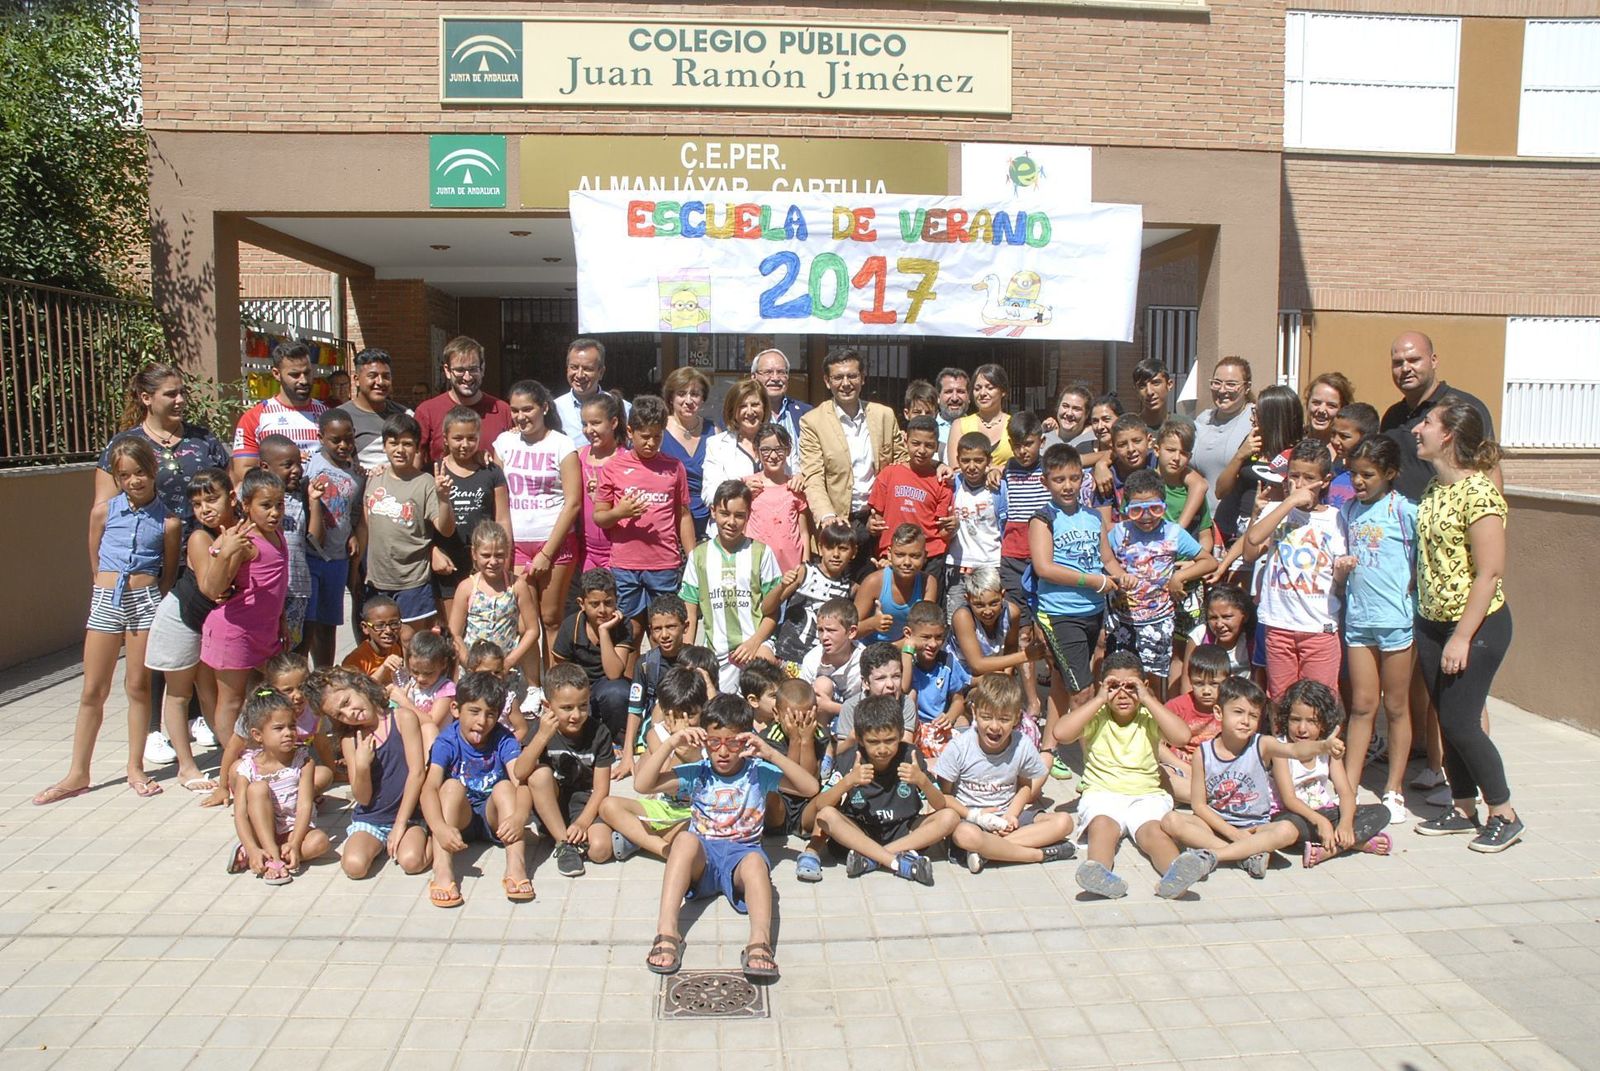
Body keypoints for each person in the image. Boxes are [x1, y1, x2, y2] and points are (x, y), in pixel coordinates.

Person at [33, 437, 181, 806]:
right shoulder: (103, 512)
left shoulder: (168, 520)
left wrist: (150, 595)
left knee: (138, 686)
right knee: (92, 689)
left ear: (153, 471)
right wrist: (104, 584)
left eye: (141, 473)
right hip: (106, 601)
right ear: (116, 477)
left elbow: (168, 570)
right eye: (125, 475)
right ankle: (78, 772)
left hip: (144, 602)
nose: (134, 481)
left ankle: (135, 767)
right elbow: (95, 557)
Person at [635, 694, 820, 980]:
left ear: (746, 741)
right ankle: (667, 930)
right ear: (705, 741)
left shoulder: (759, 772)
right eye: (714, 742)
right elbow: (642, 784)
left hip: (741, 855)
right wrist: (672, 742)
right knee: (683, 841)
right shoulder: (699, 772)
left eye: (732, 743)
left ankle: (760, 941)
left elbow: (809, 787)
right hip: (703, 857)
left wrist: (771, 753)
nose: (722, 752)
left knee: (757, 864)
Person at [1411, 395, 1521, 852]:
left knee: (1461, 722)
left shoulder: (1480, 494)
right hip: (1433, 622)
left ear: (1449, 435)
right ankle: (1462, 808)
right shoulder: (1437, 489)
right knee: (1445, 718)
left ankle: (1504, 812)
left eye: (1429, 422)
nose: (1418, 428)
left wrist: (1461, 636)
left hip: (1476, 628)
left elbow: (1489, 572)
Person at [1159, 676, 1345, 879]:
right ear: (1219, 713)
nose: (1245, 721)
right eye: (1238, 712)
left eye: (1253, 716)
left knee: (1287, 830)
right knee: (1171, 820)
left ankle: (1215, 855)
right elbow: (1199, 806)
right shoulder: (1203, 753)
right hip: (1215, 824)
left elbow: (1295, 750)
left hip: (1257, 827)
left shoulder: (1262, 745)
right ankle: (1246, 856)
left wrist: (1323, 746)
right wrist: (1233, 833)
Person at [1051, 652, 1201, 899]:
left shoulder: (1148, 715)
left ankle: (1176, 873)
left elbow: (1182, 737)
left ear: (1143, 687)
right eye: (1113, 686)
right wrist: (1099, 698)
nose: (1122, 694)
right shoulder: (1097, 716)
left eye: (1131, 686)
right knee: (1102, 826)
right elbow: (1061, 733)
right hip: (1102, 793)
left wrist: (1148, 699)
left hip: (1147, 794)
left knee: (1153, 832)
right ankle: (1098, 872)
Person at [1336, 435, 1417, 824]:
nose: (1358, 482)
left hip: (1396, 623)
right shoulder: (1349, 511)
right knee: (1362, 705)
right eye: (1354, 474)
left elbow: (1421, 560)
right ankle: (1348, 784)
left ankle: (1394, 789)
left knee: (1396, 706)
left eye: (1367, 474)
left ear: (1390, 474)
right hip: (1359, 621)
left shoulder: (1404, 511)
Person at [802, 694, 960, 885]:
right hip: (860, 833)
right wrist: (849, 781)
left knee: (950, 817)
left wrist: (922, 781)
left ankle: (872, 859)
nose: (882, 749)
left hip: (905, 831)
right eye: (873, 742)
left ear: (901, 734)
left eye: (890, 740)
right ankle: (895, 862)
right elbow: (820, 804)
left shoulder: (911, 756)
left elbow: (940, 804)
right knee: (827, 815)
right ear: (860, 739)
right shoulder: (851, 758)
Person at [142, 469, 234, 792]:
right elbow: (212, 588)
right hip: (180, 619)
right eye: (197, 504)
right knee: (180, 695)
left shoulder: (235, 530)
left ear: (231, 497)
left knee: (210, 693)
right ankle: (186, 766)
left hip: (206, 626)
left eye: (212, 499)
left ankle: (231, 756)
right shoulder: (199, 538)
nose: (205, 508)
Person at [199, 468, 290, 787]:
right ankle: (238, 763)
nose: (275, 512)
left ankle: (263, 754)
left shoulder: (277, 534)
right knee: (232, 701)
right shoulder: (241, 541)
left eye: (279, 504)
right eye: (266, 505)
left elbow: (274, 587)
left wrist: (281, 623)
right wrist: (226, 552)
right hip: (234, 633)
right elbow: (211, 588)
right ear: (246, 504)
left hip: (266, 633)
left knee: (273, 694)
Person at [937, 674, 1077, 874]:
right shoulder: (959, 747)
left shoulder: (1022, 744)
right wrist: (975, 816)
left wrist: (1012, 814)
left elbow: (1025, 786)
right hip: (971, 819)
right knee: (965, 835)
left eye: (1004, 719)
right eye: (987, 717)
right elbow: (944, 797)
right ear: (974, 713)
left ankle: (986, 851)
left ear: (1017, 718)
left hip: (1007, 816)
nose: (995, 726)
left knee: (1064, 822)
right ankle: (1038, 855)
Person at [1243, 439, 1349, 699]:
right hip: (1279, 624)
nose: (1299, 484)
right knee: (1280, 696)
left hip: (1318, 626)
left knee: (1319, 699)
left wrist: (1343, 570)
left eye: (1308, 478)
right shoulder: (1276, 511)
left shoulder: (1335, 518)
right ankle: (1282, 739)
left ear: (1325, 481)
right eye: (1294, 476)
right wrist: (1287, 504)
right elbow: (1252, 546)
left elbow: (1338, 577)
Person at [421, 670, 536, 907]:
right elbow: (429, 787)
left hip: (494, 819)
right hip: (459, 819)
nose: (482, 722)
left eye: (490, 714)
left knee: (505, 787)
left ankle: (516, 866)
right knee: (450, 786)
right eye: (474, 711)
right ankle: (442, 870)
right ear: (455, 709)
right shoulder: (447, 741)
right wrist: (439, 827)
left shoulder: (504, 739)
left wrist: (520, 816)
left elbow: (521, 781)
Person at [306, 667, 431, 879]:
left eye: (346, 702)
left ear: (361, 686)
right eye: (339, 715)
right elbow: (362, 798)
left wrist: (400, 824)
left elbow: (417, 773)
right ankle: (381, 843)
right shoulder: (351, 740)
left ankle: (433, 838)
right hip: (372, 818)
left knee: (412, 862)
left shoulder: (402, 718)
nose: (349, 714)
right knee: (354, 867)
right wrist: (362, 766)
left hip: (409, 815)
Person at [1029, 444, 1113, 758]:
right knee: (1084, 691)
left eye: (1075, 478)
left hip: (1094, 611)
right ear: (1045, 482)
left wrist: (1124, 577)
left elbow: (1107, 559)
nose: (1068, 485)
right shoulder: (1043, 519)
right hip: (1061, 614)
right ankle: (1094, 767)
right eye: (1060, 479)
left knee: (1066, 682)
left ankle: (1049, 749)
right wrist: (1093, 581)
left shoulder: (1092, 516)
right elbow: (1044, 568)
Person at [1102, 469, 1216, 695]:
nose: (1146, 517)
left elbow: (1209, 561)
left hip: (1158, 621)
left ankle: (1153, 726)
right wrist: (1118, 577)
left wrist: (1179, 576)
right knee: (1119, 681)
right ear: (1126, 510)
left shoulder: (1172, 533)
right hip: (1121, 621)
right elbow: (1104, 561)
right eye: (1136, 511)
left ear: (1164, 505)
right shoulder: (1118, 533)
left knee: (1152, 684)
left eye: (1155, 509)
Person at [494, 379, 582, 669]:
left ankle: (555, 687)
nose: (521, 417)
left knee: (551, 618)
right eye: (515, 411)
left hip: (555, 544)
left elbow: (573, 502)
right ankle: (533, 688)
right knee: (524, 623)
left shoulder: (562, 444)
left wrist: (546, 553)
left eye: (528, 409)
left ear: (544, 407)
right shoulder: (504, 443)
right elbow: (496, 494)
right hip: (517, 544)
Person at [799, 349, 908, 578]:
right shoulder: (812, 422)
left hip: (878, 521)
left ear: (863, 378)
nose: (846, 383)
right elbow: (813, 477)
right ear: (827, 382)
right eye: (838, 377)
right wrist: (827, 517)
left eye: (852, 376)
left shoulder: (884, 415)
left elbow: (902, 464)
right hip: (839, 524)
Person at [594, 395, 695, 637]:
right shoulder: (613, 467)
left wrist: (692, 558)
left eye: (657, 436)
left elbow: (683, 515)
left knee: (664, 630)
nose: (651, 443)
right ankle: (631, 675)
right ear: (630, 432)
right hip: (625, 565)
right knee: (628, 630)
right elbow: (600, 517)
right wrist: (620, 512)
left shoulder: (674, 467)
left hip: (664, 565)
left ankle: (663, 675)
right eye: (645, 436)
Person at [1270, 680, 1393, 867]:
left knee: (1382, 812)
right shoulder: (1280, 749)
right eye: (1295, 719)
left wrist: (1345, 823)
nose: (1302, 728)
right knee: (1287, 830)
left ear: (1324, 724)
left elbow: (1346, 793)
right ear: (1286, 718)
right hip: (1293, 815)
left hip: (1323, 812)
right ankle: (1355, 842)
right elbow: (1289, 799)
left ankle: (1329, 849)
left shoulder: (1328, 750)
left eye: (1312, 721)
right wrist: (1320, 822)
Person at [680, 481, 783, 692]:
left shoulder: (761, 553)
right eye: (725, 514)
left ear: (748, 515)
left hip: (754, 645)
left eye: (739, 516)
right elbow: (689, 611)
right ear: (713, 512)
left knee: (765, 676)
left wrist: (754, 643)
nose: (731, 522)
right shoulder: (699, 556)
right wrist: (687, 653)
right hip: (716, 652)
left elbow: (772, 612)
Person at [363, 413, 456, 636]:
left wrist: (444, 498)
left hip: (411, 580)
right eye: (393, 443)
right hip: (377, 579)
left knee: (408, 640)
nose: (399, 450)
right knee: (381, 642)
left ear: (416, 448)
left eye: (407, 444)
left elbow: (446, 529)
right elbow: (368, 520)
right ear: (384, 446)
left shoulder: (425, 484)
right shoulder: (375, 477)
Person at [603, 667, 709, 862]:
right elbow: (662, 784)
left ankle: (638, 839)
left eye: (691, 715)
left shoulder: (709, 737)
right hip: (663, 806)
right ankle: (663, 849)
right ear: (665, 714)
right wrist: (678, 748)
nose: (684, 724)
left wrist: (694, 754)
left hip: (695, 812)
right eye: (676, 717)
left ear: (703, 707)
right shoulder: (657, 734)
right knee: (608, 806)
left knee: (698, 832)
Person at [227, 687, 331, 885]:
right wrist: (252, 846)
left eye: (292, 726)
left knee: (320, 842)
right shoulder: (248, 767)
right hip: (262, 828)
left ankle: (267, 856)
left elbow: (304, 807)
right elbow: (240, 814)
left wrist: (295, 842)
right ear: (258, 735)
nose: (288, 733)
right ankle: (270, 856)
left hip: (291, 830)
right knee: (258, 789)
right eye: (278, 728)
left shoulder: (303, 762)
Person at [1381, 331, 1500, 504]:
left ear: (1433, 360)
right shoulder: (1391, 418)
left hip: (1448, 525)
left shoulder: (1464, 408)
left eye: (1414, 360)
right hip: (1401, 526)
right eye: (1398, 363)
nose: (1405, 368)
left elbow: (1490, 470)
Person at [525, 663, 615, 876]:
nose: (576, 715)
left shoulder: (599, 732)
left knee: (601, 850)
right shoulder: (541, 729)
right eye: (567, 708)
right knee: (539, 775)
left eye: (583, 706)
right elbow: (520, 772)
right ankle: (564, 843)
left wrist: (584, 822)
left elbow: (602, 789)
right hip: (551, 804)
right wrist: (541, 737)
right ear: (548, 706)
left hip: (584, 803)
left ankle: (578, 838)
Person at [431, 405, 509, 621]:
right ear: (445, 438)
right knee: (452, 629)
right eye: (457, 438)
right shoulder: (434, 471)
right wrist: (432, 550)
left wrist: (505, 561)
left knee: (483, 624)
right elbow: (422, 524)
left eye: (471, 438)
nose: (464, 445)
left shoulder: (491, 471)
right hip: (447, 561)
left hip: (483, 561)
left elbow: (502, 518)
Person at [302, 409, 366, 668]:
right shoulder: (310, 465)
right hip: (310, 555)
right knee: (308, 622)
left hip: (337, 557)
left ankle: (323, 674)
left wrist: (351, 532)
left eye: (348, 439)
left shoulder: (356, 474)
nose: (343, 446)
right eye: (335, 440)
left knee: (328, 623)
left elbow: (351, 511)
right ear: (320, 438)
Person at [1214, 383, 1303, 549]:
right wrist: (1240, 455)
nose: (1251, 418)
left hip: (1265, 535)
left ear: (1273, 418)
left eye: (1257, 413)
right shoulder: (1251, 443)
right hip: (1232, 530)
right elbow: (1220, 491)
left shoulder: (1296, 455)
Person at [552, 569, 636, 741]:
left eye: (608, 603)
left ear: (616, 601)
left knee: (617, 692)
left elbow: (614, 674)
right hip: (578, 689)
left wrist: (604, 632)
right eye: (595, 604)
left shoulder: (623, 625)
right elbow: (559, 672)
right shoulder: (570, 626)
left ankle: (615, 741)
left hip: (606, 688)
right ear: (581, 604)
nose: (602, 610)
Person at [766, 520, 857, 674]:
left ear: (853, 552)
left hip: (819, 664)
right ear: (820, 548)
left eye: (843, 549)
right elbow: (767, 607)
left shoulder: (851, 588)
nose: (835, 554)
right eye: (829, 548)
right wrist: (781, 586)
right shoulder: (804, 573)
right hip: (787, 655)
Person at [448, 519, 538, 675]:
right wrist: (469, 664)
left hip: (505, 669)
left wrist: (509, 661)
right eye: (486, 555)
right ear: (474, 554)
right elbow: (454, 633)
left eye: (499, 555)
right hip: (474, 670)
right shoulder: (467, 588)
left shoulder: (517, 586)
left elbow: (532, 630)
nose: (493, 561)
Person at [867, 414, 953, 570]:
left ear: (936, 447)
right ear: (905, 441)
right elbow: (876, 521)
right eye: (915, 443)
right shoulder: (889, 474)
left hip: (930, 557)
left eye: (929, 445)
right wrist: (872, 526)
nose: (921, 450)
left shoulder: (941, 482)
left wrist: (953, 526)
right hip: (893, 557)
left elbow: (943, 532)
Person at [232, 340, 326, 481]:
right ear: (276, 374)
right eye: (295, 375)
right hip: (278, 501)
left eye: (307, 373)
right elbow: (243, 472)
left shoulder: (327, 415)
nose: (304, 380)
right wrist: (282, 463)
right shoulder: (254, 417)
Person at [621, 594, 692, 780]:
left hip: (690, 731)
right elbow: (635, 709)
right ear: (650, 631)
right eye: (658, 629)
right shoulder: (646, 664)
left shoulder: (696, 660)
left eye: (671, 627)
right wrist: (627, 753)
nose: (664, 635)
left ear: (686, 627)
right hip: (656, 732)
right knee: (642, 778)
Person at [414, 336, 512, 464]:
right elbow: (413, 465)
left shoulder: (503, 411)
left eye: (473, 369)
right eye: (460, 370)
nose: (467, 377)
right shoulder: (427, 411)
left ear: (482, 369)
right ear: (447, 371)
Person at [258, 434, 314, 653]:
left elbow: (313, 534)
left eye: (299, 463)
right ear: (265, 467)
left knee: (292, 648)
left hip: (297, 587)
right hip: (268, 589)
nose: (297, 470)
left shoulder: (301, 496)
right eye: (287, 465)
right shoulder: (253, 498)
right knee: (265, 651)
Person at [1158, 644, 1227, 806]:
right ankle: (1214, 799)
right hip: (1182, 770)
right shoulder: (1176, 706)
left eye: (1214, 684)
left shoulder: (1231, 708)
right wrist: (1187, 769)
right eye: (1199, 683)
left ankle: (1207, 797)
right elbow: (1157, 744)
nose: (1206, 691)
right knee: (1160, 774)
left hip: (1217, 773)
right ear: (1190, 679)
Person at [902, 600, 971, 760]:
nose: (933, 644)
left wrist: (949, 717)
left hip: (938, 726)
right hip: (913, 726)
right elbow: (904, 688)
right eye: (925, 637)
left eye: (939, 637)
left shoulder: (947, 662)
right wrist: (907, 651)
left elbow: (958, 700)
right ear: (908, 634)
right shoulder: (902, 662)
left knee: (962, 722)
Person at [945, 431, 1004, 614]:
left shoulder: (998, 488)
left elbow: (1006, 524)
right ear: (957, 460)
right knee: (956, 618)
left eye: (978, 460)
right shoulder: (951, 485)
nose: (971, 466)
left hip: (991, 565)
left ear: (989, 460)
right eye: (965, 460)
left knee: (989, 618)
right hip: (958, 566)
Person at [1189, 355, 1256, 517]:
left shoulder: (1255, 419)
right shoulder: (1202, 419)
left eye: (1231, 384)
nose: (1222, 390)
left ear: (1247, 387)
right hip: (1201, 521)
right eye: (1217, 383)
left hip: (1233, 523)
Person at [701, 379, 771, 533]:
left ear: (764, 408)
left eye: (755, 404)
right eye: (742, 406)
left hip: (771, 528)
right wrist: (741, 490)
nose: (750, 411)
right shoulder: (717, 444)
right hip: (730, 531)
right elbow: (709, 494)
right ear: (733, 411)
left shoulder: (778, 441)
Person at [659, 365, 716, 541]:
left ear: (703, 398)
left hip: (708, 520)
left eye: (695, 394)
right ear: (671, 398)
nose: (688, 400)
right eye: (682, 394)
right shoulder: (659, 431)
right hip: (670, 520)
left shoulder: (714, 431)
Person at [744, 423, 809, 574]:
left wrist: (805, 563)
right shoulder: (749, 486)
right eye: (765, 450)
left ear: (788, 451)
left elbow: (804, 532)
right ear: (756, 451)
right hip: (757, 568)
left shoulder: (795, 488)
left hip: (792, 568)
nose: (773, 456)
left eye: (779, 449)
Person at [336, 348, 411, 474]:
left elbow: (416, 458)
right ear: (356, 379)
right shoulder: (339, 418)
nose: (380, 382)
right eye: (372, 376)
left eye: (386, 376)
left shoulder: (406, 416)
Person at [575, 391, 626, 575]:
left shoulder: (625, 459)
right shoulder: (579, 456)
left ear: (613, 423)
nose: (589, 430)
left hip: (616, 550)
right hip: (585, 551)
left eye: (595, 423)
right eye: (584, 424)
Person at [856, 524, 934, 644]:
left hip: (906, 649)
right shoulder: (874, 583)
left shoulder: (928, 583)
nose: (907, 562)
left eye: (915, 556)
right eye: (900, 555)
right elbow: (849, 631)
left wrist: (894, 650)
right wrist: (872, 623)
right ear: (889, 554)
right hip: (870, 651)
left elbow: (924, 631)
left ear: (925, 557)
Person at [552, 337, 630, 441]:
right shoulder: (554, 409)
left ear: (601, 372)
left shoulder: (622, 408)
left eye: (587, 369)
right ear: (567, 369)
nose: (579, 375)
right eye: (574, 367)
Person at [799, 598, 862, 722]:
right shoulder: (812, 659)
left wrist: (830, 707)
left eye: (831, 630)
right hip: (818, 719)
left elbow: (870, 711)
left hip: (855, 723)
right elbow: (802, 700)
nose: (824, 637)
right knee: (822, 684)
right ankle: (823, 738)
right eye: (821, 630)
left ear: (851, 632)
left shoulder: (863, 663)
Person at [395, 630, 458, 750]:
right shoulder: (410, 685)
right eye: (415, 671)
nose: (420, 678)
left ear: (443, 664)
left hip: (437, 746)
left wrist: (405, 703)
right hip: (413, 744)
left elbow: (432, 722)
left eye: (428, 673)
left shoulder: (446, 689)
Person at [751, 347, 810, 472]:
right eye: (767, 372)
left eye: (781, 372)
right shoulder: (744, 416)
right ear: (754, 377)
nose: (775, 378)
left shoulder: (807, 413)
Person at [945, 363, 1013, 470]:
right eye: (977, 388)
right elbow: (955, 468)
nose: (982, 393)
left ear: (1003, 391)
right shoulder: (960, 425)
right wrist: (996, 469)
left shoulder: (1014, 424)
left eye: (989, 388)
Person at [342, 594, 405, 685]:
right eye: (379, 626)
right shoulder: (356, 660)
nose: (388, 630)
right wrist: (383, 668)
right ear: (365, 627)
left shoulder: (395, 648)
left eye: (394, 623)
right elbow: (359, 693)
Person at [1303, 372, 1354, 451]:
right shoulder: (1292, 442)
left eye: (1331, 405)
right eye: (1316, 403)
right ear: (1307, 403)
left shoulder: (1347, 453)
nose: (1321, 410)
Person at [1041, 382, 1096, 450]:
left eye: (1076, 409)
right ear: (1058, 407)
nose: (1069, 413)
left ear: (1087, 414)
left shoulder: (1094, 440)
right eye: (1065, 406)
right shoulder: (1045, 439)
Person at [1131, 357, 1179, 432]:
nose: (1149, 392)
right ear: (1136, 390)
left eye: (1156, 383)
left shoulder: (1185, 426)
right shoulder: (1130, 429)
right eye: (1142, 386)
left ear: (1169, 384)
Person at [933, 366, 970, 449]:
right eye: (948, 392)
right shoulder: (929, 428)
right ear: (938, 397)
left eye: (960, 392)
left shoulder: (977, 427)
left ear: (969, 397)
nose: (954, 398)